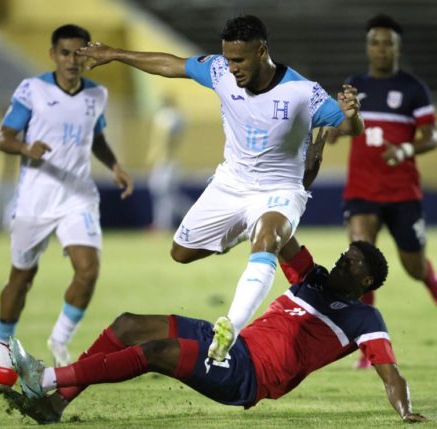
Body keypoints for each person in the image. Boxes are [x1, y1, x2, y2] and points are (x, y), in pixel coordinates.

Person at [76, 15, 364, 362]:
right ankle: (248, 228)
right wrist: (114, 53)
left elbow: (349, 127)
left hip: (280, 190)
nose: (232, 68)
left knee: (268, 238)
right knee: (181, 252)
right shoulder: (219, 72)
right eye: (228, 59)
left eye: (239, 60)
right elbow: (171, 65)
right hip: (231, 184)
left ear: (261, 52)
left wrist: (353, 115)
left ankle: (230, 327)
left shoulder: (303, 93)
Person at [4, 240, 427, 424]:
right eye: (343, 255)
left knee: (155, 351)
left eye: (349, 263)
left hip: (248, 374)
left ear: (366, 281)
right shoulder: (310, 278)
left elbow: (391, 374)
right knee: (127, 324)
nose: (339, 262)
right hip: (230, 341)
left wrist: (405, 411)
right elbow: (283, 233)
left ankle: (44, 379)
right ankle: (57, 404)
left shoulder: (364, 320)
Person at [0, 24, 134, 367]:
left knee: (88, 269)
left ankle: (60, 340)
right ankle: (0, 346)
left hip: (78, 196)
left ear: (88, 55)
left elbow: (96, 138)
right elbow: (3, 137)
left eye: (79, 53)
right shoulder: (33, 90)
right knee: (22, 278)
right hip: (36, 199)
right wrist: (27, 147)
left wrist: (115, 166)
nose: (72, 60)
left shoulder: (96, 95)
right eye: (65, 53)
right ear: (53, 54)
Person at [328, 13, 437, 369]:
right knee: (359, 257)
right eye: (374, 43)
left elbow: (432, 136)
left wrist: (405, 149)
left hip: (402, 192)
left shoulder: (413, 88)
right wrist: (337, 128)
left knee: (411, 265)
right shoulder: (355, 84)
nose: (380, 49)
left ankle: (428, 277)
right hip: (362, 190)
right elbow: (345, 122)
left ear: (397, 48)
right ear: (368, 47)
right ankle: (369, 342)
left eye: (387, 44)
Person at [146, 95, 192, 231]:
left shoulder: (169, 117)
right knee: (164, 194)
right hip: (166, 160)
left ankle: (166, 224)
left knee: (166, 194)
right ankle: (161, 224)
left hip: (166, 161)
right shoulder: (176, 117)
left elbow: (165, 140)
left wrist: (157, 157)